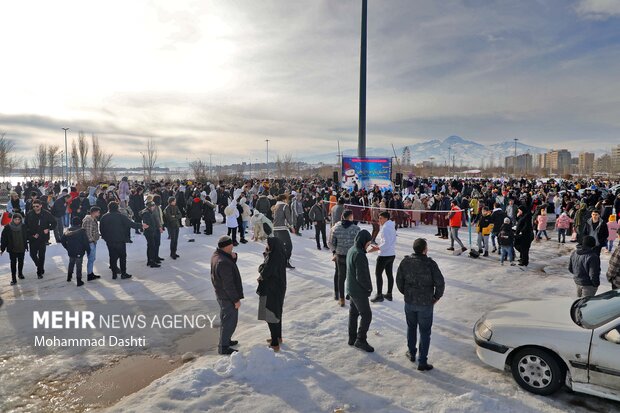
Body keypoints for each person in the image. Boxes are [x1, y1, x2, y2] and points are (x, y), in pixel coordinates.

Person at [396, 238, 445, 371]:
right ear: (424, 249)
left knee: (411, 327)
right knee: (424, 331)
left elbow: (399, 281)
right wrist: (436, 297)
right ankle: (422, 361)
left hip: (410, 302)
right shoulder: (430, 264)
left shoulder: (405, 262)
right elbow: (440, 283)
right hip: (426, 303)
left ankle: (412, 353)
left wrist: (406, 293)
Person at [211, 235, 244, 355]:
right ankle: (223, 347)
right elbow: (228, 284)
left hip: (221, 294)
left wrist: (233, 258)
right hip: (227, 296)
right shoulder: (223, 262)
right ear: (227, 246)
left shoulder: (217, 255)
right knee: (229, 321)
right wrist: (236, 300)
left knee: (226, 320)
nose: (233, 247)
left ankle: (226, 340)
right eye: (231, 246)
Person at [100, 201, 147, 279]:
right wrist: (141, 226)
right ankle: (123, 273)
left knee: (112, 257)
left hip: (110, 241)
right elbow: (131, 224)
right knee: (122, 257)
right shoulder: (121, 216)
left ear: (109, 208)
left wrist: (105, 238)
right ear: (117, 208)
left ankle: (114, 274)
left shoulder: (104, 217)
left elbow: (101, 229)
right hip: (120, 240)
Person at [346, 230, 374, 353]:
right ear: (363, 241)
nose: (368, 246)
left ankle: (352, 338)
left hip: (351, 288)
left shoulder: (352, 249)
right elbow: (361, 276)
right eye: (368, 243)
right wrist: (368, 288)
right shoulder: (359, 255)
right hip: (358, 291)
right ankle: (360, 340)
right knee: (367, 315)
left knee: (353, 314)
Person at [257, 237, 287, 352]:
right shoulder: (279, 254)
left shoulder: (273, 257)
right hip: (278, 288)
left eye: (268, 244)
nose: (267, 245)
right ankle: (278, 337)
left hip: (271, 289)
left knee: (270, 314)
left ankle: (275, 343)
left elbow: (264, 270)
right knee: (277, 312)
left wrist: (263, 266)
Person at [329, 210, 361, 306]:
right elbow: (359, 243)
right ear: (350, 217)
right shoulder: (356, 229)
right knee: (352, 275)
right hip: (352, 256)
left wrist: (334, 252)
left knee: (340, 276)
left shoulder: (335, 228)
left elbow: (330, 242)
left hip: (339, 255)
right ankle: (350, 294)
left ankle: (340, 297)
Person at [369, 211, 396, 302]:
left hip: (384, 255)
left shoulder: (385, 228)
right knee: (389, 274)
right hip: (391, 254)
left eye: (380, 218)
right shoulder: (391, 226)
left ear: (386, 218)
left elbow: (386, 243)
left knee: (378, 274)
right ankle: (389, 294)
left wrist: (376, 248)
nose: (379, 220)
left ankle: (379, 295)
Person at [25, 199, 55, 278]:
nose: (35, 208)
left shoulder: (46, 214)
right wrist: (31, 235)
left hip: (42, 238)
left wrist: (48, 229)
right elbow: (26, 226)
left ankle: (39, 272)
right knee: (32, 254)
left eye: (37, 206)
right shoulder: (29, 214)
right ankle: (39, 266)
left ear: (41, 206)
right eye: (33, 206)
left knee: (41, 255)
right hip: (33, 237)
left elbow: (54, 223)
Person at [61, 217, 91, 287]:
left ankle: (69, 277)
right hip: (79, 251)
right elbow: (85, 242)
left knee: (71, 263)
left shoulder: (67, 231)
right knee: (79, 265)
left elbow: (62, 240)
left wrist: (67, 247)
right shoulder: (82, 231)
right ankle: (79, 280)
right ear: (80, 223)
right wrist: (88, 250)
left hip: (71, 251)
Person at [1, 213, 28, 285]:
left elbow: (27, 235)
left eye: (19, 219)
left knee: (21, 262)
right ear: (12, 219)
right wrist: (2, 249)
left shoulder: (23, 226)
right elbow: (4, 239)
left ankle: (20, 273)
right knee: (13, 263)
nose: (17, 221)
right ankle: (13, 278)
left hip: (21, 247)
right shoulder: (7, 227)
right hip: (12, 248)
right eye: (15, 219)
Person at [272, 194, 296, 268]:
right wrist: (292, 227)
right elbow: (288, 218)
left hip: (274, 229)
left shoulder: (275, 206)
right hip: (281, 229)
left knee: (279, 246)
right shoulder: (285, 206)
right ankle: (286, 262)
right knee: (289, 246)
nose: (287, 200)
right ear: (283, 199)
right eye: (286, 199)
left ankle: (278, 262)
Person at [81, 206, 102, 280]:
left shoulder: (92, 219)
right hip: (90, 242)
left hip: (92, 242)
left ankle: (90, 273)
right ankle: (89, 274)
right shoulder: (89, 220)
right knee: (91, 258)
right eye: (98, 212)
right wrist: (92, 240)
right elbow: (87, 233)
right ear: (94, 212)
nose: (99, 213)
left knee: (92, 258)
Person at [142, 202, 161, 268]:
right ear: (150, 207)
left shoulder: (149, 212)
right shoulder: (146, 213)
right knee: (151, 247)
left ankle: (150, 261)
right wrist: (152, 229)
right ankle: (151, 262)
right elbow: (147, 224)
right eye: (153, 206)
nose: (154, 207)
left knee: (150, 246)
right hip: (149, 232)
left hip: (151, 232)